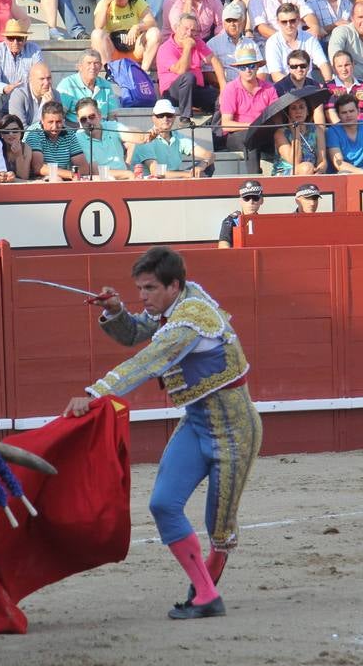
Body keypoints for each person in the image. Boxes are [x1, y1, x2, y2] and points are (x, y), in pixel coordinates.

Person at [65, 245, 261, 620]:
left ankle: (205, 586)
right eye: (139, 289)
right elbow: (139, 331)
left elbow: (149, 359)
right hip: (197, 424)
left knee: (218, 527)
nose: (143, 297)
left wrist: (95, 393)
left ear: (174, 286)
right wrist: (115, 311)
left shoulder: (189, 322)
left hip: (236, 433)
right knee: (162, 504)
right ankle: (206, 594)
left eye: (150, 289)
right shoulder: (181, 301)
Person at [91, 0, 162, 74]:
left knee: (154, 32)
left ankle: (144, 71)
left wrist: (137, 27)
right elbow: (98, 26)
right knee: (96, 34)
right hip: (113, 50)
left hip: (135, 49)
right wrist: (105, 6)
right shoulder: (104, 3)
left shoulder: (136, 1)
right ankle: (109, 72)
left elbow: (152, 22)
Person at [157, 13, 225, 119]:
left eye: (193, 31)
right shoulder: (166, 48)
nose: (189, 34)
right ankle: (185, 117)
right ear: (176, 28)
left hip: (195, 90)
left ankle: (217, 132)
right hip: (173, 93)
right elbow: (181, 71)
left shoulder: (197, 42)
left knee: (223, 99)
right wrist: (187, 47)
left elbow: (215, 62)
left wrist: (224, 88)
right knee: (188, 77)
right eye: (186, 29)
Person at [217, 43, 279, 153]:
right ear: (238, 69)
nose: (248, 70)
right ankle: (254, 170)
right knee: (251, 140)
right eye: (243, 67)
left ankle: (287, 168)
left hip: (264, 132)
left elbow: (276, 118)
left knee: (281, 136)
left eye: (251, 66)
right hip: (237, 134)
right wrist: (252, 126)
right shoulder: (230, 88)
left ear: (257, 67)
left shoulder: (269, 88)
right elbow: (226, 124)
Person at [130, 99, 213, 180]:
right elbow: (155, 171)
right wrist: (189, 174)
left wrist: (202, 166)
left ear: (174, 117)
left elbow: (209, 155)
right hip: (151, 184)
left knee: (208, 166)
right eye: (161, 115)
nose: (165, 119)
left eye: (169, 115)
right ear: (153, 118)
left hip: (172, 177)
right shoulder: (146, 139)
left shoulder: (178, 137)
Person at [24, 100, 90, 180]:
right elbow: (38, 167)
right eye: (50, 122)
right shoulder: (34, 133)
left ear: (63, 120)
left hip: (66, 178)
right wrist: (71, 174)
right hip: (40, 180)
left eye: (58, 122)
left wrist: (71, 175)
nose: (54, 126)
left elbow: (84, 168)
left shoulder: (69, 133)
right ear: (42, 120)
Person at [77, 96, 134, 179]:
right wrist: (127, 173)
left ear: (99, 115)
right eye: (83, 119)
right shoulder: (78, 137)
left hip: (123, 177)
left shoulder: (112, 125)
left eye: (92, 116)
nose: (88, 121)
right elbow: (96, 171)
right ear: (78, 121)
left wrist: (127, 163)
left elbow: (134, 138)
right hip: (100, 183)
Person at [57, 50, 121, 122]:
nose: (93, 67)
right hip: (76, 129)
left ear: (100, 67)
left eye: (96, 63)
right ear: (80, 67)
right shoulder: (67, 84)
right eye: (89, 63)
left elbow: (112, 117)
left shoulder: (106, 86)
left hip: (102, 129)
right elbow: (59, 116)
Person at [0, 19, 41, 105]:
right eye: (11, 38)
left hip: (27, 102)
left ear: (25, 38)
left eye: (19, 39)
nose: (15, 42)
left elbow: (39, 75)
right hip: (4, 102)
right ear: (5, 39)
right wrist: (6, 88)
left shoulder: (34, 49)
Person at [273, 95, 326, 175]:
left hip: (312, 171)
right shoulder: (280, 133)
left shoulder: (317, 130)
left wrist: (320, 170)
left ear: (308, 111)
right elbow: (295, 161)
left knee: (309, 168)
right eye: (293, 108)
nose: (298, 111)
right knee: (306, 168)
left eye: (302, 107)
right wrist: (296, 133)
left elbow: (322, 160)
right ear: (288, 112)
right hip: (286, 173)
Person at [217, 180, 263, 247]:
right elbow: (223, 246)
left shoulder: (266, 222)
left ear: (261, 200)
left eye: (255, 198)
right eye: (246, 198)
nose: (251, 202)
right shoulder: (231, 221)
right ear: (240, 201)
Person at [9, 61, 55, 127]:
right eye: (42, 79)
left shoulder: (55, 95)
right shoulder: (18, 95)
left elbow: (58, 126)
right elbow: (20, 128)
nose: (46, 82)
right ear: (31, 80)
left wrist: (52, 106)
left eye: (49, 78)